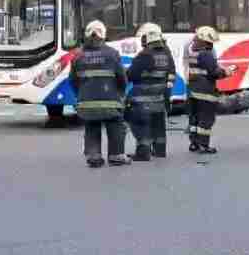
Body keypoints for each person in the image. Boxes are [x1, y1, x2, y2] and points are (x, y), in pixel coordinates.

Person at [70, 20, 131, 168]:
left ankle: (94, 156)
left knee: (91, 125)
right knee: (115, 124)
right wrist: (120, 94)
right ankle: (116, 156)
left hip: (86, 103)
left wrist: (82, 95)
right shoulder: (112, 54)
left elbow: (73, 80)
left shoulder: (77, 56)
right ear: (103, 35)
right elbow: (122, 78)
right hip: (111, 101)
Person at [127, 23, 176, 161]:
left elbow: (131, 74)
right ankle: (160, 150)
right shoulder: (166, 54)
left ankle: (143, 152)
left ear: (147, 39)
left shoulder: (144, 55)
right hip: (159, 98)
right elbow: (171, 74)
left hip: (142, 99)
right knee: (158, 124)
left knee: (139, 123)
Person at [187, 26, 235, 154]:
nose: (211, 44)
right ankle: (204, 145)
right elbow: (214, 73)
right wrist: (227, 72)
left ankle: (194, 143)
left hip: (193, 90)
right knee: (206, 119)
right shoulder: (206, 54)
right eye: (209, 42)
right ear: (204, 41)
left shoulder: (193, 51)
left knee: (195, 119)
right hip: (205, 92)